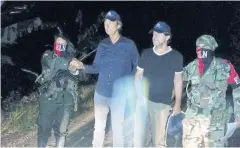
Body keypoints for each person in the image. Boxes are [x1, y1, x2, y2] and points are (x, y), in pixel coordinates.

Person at [73, 10, 139, 147]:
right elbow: (97, 67)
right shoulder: (103, 45)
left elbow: (138, 67)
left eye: (110, 23)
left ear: (118, 25)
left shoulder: (129, 45)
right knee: (98, 129)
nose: (107, 26)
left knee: (117, 130)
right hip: (101, 94)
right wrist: (82, 66)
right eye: (105, 23)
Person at [182, 35, 240, 147]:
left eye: (203, 46)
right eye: (198, 46)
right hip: (193, 117)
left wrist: (239, 113)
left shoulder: (225, 67)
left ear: (211, 47)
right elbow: (178, 81)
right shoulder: (191, 67)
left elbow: (237, 89)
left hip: (216, 119)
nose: (200, 49)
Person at [135, 21, 183, 147]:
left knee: (158, 141)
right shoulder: (146, 54)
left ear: (167, 37)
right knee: (140, 139)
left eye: (158, 34)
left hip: (163, 104)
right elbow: (138, 76)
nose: (154, 37)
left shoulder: (176, 57)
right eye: (153, 34)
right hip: (144, 102)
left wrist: (177, 104)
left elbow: (178, 81)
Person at [36, 30, 81, 147]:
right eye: (57, 44)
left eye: (63, 45)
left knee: (61, 131)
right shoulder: (48, 55)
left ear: (66, 46)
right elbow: (53, 64)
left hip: (67, 100)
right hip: (49, 99)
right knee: (44, 129)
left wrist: (75, 69)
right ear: (54, 44)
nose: (60, 47)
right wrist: (69, 64)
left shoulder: (72, 59)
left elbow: (82, 76)